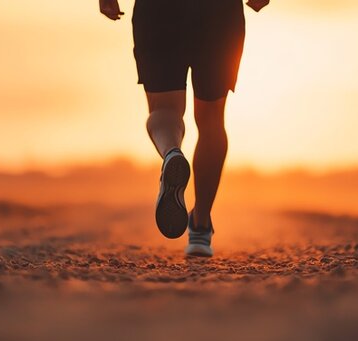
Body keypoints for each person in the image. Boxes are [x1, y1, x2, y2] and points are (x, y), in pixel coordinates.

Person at [100, 0, 270, 257]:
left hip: (159, 10)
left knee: (164, 110)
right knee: (211, 119)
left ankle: (171, 153)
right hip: (218, 12)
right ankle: (200, 225)